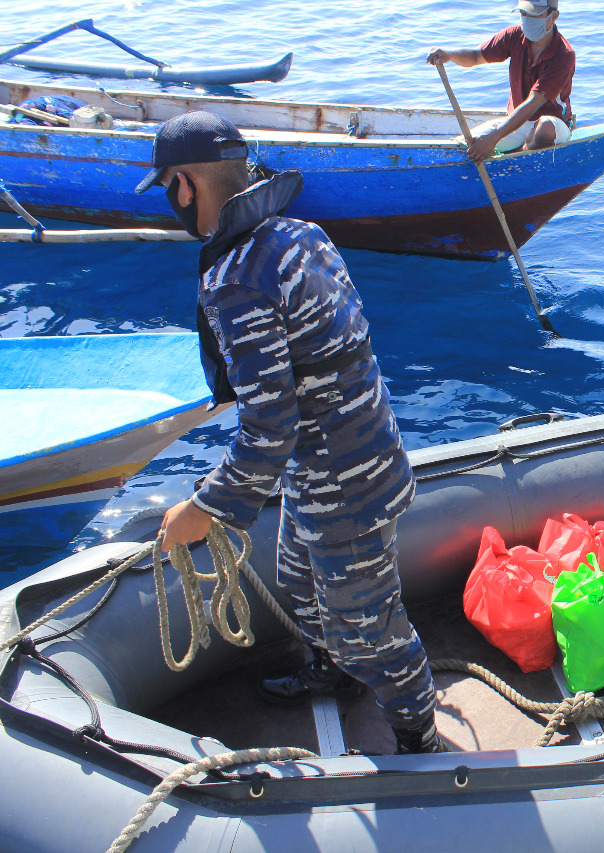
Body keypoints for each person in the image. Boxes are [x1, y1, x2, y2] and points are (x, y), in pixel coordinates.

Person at [139, 111, 444, 755]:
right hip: (352, 454)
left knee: (374, 630)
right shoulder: (302, 234)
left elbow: (268, 423)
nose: (171, 199)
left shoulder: (237, 280)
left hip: (345, 485)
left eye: (169, 185)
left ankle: (420, 742)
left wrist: (205, 508)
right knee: (300, 583)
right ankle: (332, 671)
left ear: (187, 186)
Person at [427, 0, 574, 164]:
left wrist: (493, 138)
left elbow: (534, 102)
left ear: (553, 16)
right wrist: (450, 54)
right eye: (523, 14)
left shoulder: (564, 54)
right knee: (465, 147)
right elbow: (476, 55)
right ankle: (513, 153)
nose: (527, 19)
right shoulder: (514, 35)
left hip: (555, 126)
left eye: (534, 15)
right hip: (517, 122)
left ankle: (516, 155)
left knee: (544, 127)